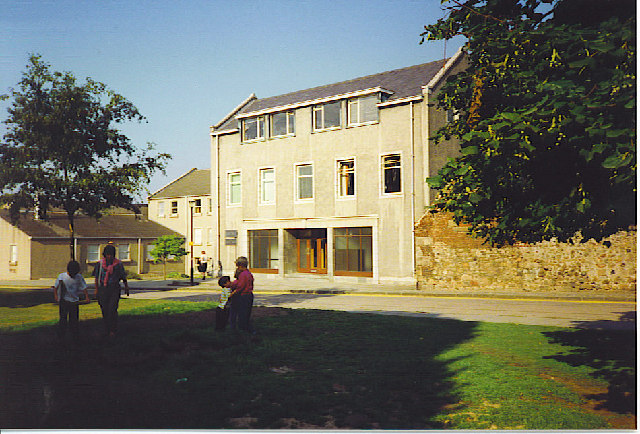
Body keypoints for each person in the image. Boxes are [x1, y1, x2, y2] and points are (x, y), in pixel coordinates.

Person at [93, 244, 129, 338]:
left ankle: (113, 330)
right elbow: (97, 278)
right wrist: (96, 290)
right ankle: (106, 329)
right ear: (105, 255)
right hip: (103, 289)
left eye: (111, 255)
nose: (109, 257)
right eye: (108, 255)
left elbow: (123, 276)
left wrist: (126, 287)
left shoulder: (118, 264)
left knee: (112, 309)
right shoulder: (100, 264)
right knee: (105, 309)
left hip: (114, 288)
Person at [53, 260, 90, 343]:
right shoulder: (62, 276)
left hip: (74, 302)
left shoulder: (79, 277)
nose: (73, 275)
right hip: (64, 301)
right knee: (63, 319)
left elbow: (84, 287)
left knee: (74, 320)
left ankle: (75, 336)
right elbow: (56, 287)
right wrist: (56, 296)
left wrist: (87, 297)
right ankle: (61, 336)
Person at [228, 256, 254, 333]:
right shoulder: (249, 273)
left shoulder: (243, 275)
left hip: (244, 296)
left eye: (238, 266)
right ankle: (247, 328)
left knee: (242, 313)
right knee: (246, 314)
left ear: (240, 266)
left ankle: (243, 330)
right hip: (249, 295)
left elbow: (240, 287)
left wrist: (232, 294)